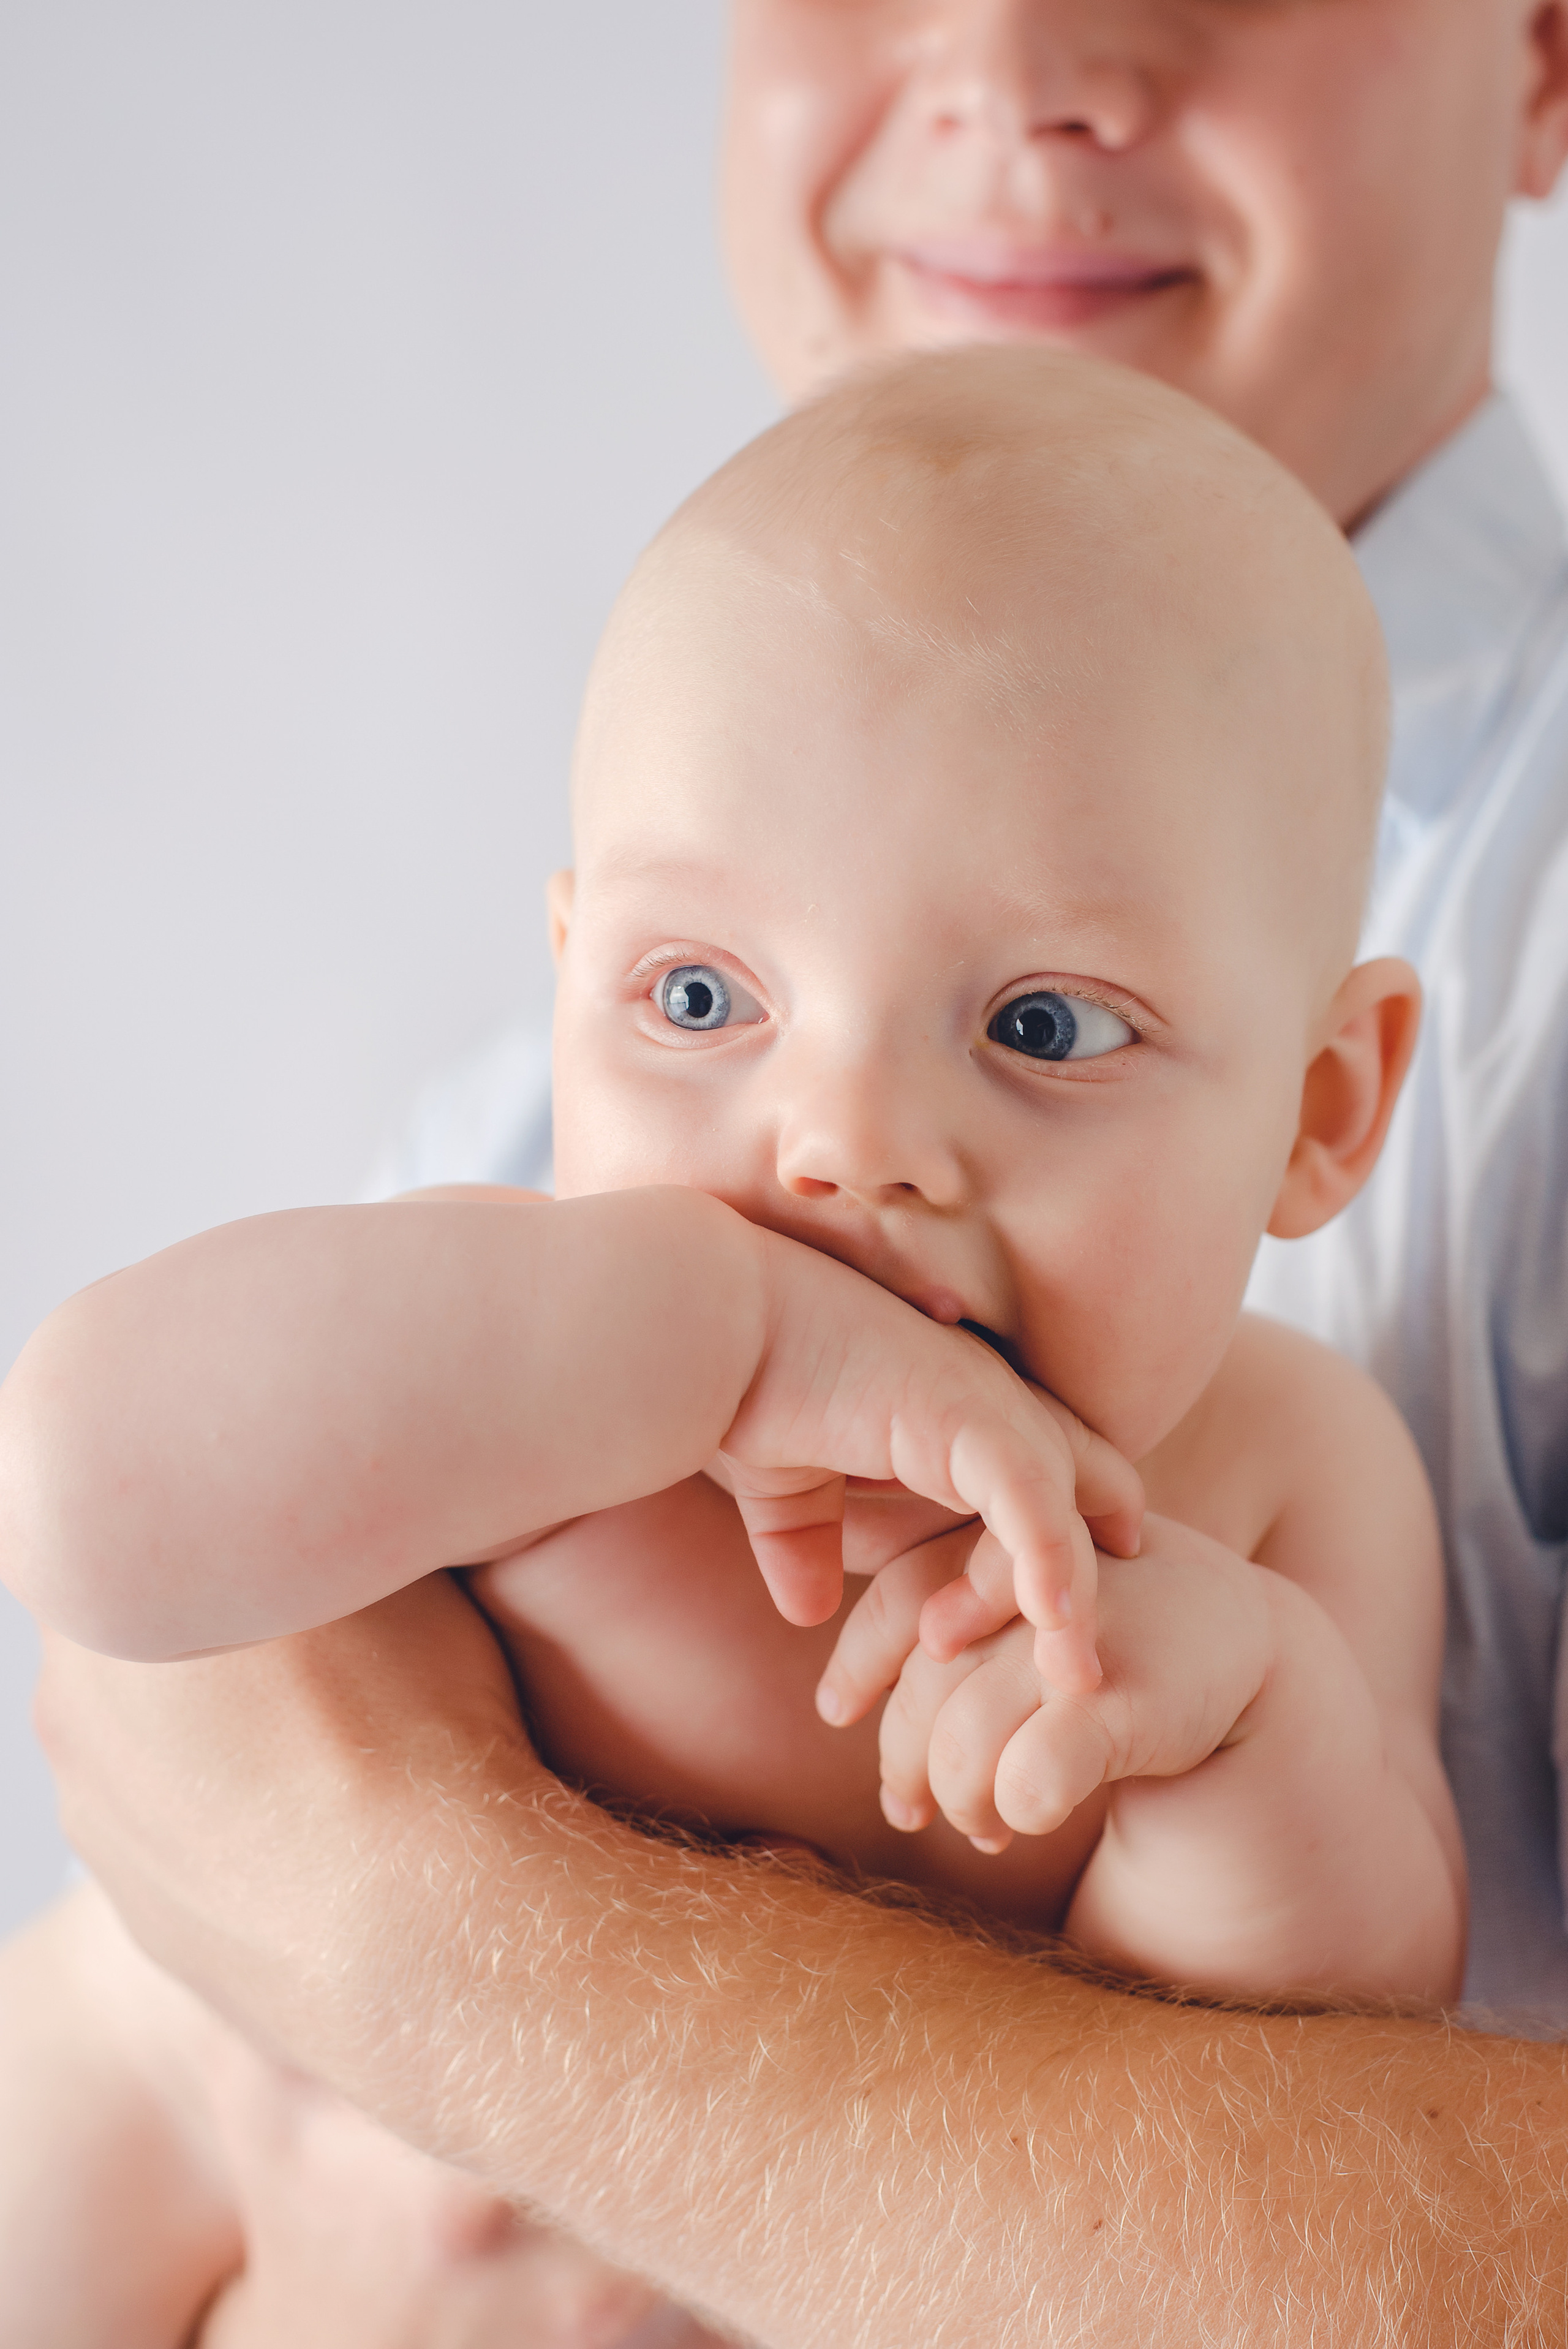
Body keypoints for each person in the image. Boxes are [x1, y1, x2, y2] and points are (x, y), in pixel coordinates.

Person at [26, 1, 1568, 2339]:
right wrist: (698, 1334)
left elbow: (1301, 2065)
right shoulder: (532, 1305)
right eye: (698, 1003)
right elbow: (88, 1509)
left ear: (1322, 1118)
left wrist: (1228, 1757)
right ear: (574, 988)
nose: (841, 1141)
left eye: (1043, 1029)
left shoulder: (1266, 1497)